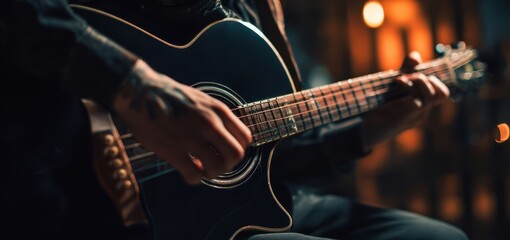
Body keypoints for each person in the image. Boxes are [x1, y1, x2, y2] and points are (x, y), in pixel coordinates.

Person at [1, 0, 467, 239]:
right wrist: (133, 84)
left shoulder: (258, 10)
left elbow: (264, 162)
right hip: (53, 184)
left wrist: (371, 127)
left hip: (223, 213)